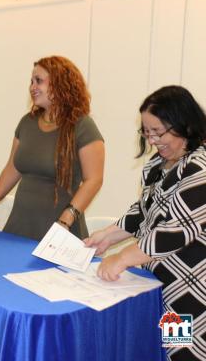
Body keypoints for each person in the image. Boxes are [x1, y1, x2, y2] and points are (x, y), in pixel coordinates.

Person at [86, 86, 206, 361]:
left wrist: (122, 258)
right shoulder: (157, 165)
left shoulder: (200, 169)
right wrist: (106, 236)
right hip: (159, 283)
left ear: (183, 125)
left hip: (189, 290)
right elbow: (143, 211)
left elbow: (172, 232)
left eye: (158, 132)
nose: (152, 140)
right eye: (146, 132)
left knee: (182, 354)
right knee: (160, 350)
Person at [0, 55, 105, 240]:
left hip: (60, 228)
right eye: (31, 81)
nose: (32, 87)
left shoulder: (82, 126)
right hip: (20, 225)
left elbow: (94, 179)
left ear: (60, 84)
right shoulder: (27, 122)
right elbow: (13, 167)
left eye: (39, 81)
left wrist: (66, 218)